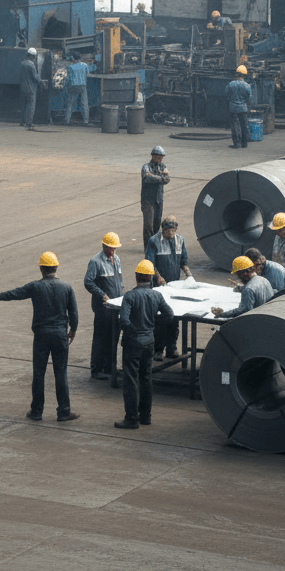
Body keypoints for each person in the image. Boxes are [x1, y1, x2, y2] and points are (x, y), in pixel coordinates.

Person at [0, 252, 80, 422]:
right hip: (59, 336)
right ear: (56, 267)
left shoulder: (35, 287)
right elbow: (74, 313)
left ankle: (36, 411)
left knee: (39, 373)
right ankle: (64, 411)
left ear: (41, 269)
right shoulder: (67, 287)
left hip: (41, 336)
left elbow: (14, 294)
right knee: (60, 373)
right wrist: (73, 330)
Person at [113, 260, 174, 430]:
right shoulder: (156, 295)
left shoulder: (130, 296)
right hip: (149, 341)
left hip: (133, 342)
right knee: (146, 378)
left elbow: (124, 321)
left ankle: (131, 418)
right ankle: (145, 416)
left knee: (131, 380)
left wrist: (133, 333)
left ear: (136, 276)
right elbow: (169, 314)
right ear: (151, 278)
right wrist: (153, 324)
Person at [144, 216, 189, 359]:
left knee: (174, 318)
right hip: (160, 289)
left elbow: (183, 261)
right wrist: (158, 276)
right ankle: (158, 350)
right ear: (163, 229)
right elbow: (149, 264)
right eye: (168, 230)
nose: (171, 233)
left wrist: (189, 274)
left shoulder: (179, 240)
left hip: (174, 287)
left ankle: (172, 348)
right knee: (160, 320)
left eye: (173, 230)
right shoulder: (153, 241)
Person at [84, 232, 125, 381]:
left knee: (113, 337)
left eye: (115, 248)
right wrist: (102, 294)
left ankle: (110, 367)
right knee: (101, 338)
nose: (113, 251)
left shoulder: (117, 259)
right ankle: (96, 369)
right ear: (104, 246)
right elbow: (88, 282)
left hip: (115, 307)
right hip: (103, 308)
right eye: (110, 248)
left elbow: (119, 280)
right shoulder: (95, 262)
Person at [140, 146, 170, 242]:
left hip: (159, 200)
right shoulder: (146, 167)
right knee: (149, 225)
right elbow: (147, 178)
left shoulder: (163, 167)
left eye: (161, 157)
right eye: (157, 156)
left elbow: (167, 179)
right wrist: (160, 178)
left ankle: (155, 244)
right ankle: (148, 246)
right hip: (148, 200)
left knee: (157, 224)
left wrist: (154, 176)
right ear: (152, 156)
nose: (159, 159)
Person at [19, 47, 45, 130]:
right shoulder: (31, 64)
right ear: (33, 56)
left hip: (23, 87)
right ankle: (29, 122)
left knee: (23, 105)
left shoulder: (22, 63)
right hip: (31, 88)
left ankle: (23, 121)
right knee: (31, 106)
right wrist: (41, 82)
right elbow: (35, 76)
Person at [227, 65, 252, 149]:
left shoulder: (231, 84)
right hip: (243, 108)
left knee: (235, 126)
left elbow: (226, 95)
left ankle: (236, 144)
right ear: (244, 75)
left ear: (236, 74)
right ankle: (244, 143)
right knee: (244, 125)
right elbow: (249, 97)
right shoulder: (247, 86)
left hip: (233, 108)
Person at [64, 53, 92, 125]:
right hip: (83, 85)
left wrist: (66, 87)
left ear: (73, 58)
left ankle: (67, 120)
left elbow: (68, 79)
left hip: (73, 86)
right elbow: (88, 75)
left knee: (70, 103)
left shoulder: (70, 67)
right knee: (84, 103)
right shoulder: (85, 65)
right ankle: (86, 120)